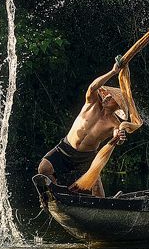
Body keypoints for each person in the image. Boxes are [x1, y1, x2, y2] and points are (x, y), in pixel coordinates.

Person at [38, 58, 138, 197]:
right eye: (108, 95)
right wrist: (113, 71)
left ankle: (104, 209)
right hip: (65, 148)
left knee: (95, 185)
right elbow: (93, 87)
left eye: (112, 98)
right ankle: (56, 195)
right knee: (44, 168)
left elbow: (118, 136)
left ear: (117, 105)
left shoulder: (114, 123)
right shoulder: (92, 103)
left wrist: (119, 137)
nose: (107, 97)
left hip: (86, 157)